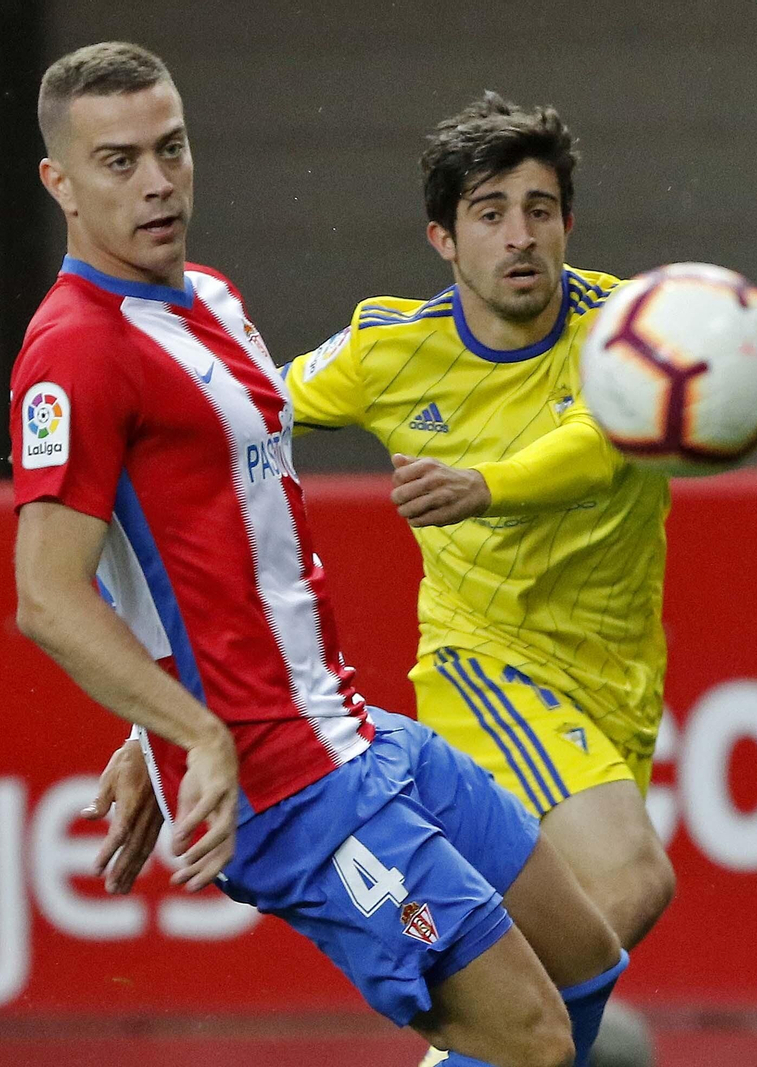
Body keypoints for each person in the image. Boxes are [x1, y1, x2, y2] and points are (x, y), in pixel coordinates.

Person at [13, 42, 627, 1067]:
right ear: (60, 183)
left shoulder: (210, 297)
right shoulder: (75, 348)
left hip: (350, 728)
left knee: (583, 963)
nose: (158, 180)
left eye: (171, 148)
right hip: (280, 785)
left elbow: (205, 554)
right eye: (119, 162)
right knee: (528, 1038)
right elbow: (45, 594)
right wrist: (189, 738)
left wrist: (144, 738)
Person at [280, 93, 676, 1064]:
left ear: (568, 226)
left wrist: (482, 485)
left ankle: (470, 1048)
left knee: (581, 930)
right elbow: (246, 406)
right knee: (629, 879)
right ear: (443, 239)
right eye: (491, 211)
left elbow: (601, 442)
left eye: (540, 209)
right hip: (487, 666)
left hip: (613, 685)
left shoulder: (626, 332)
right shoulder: (388, 351)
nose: (519, 234)